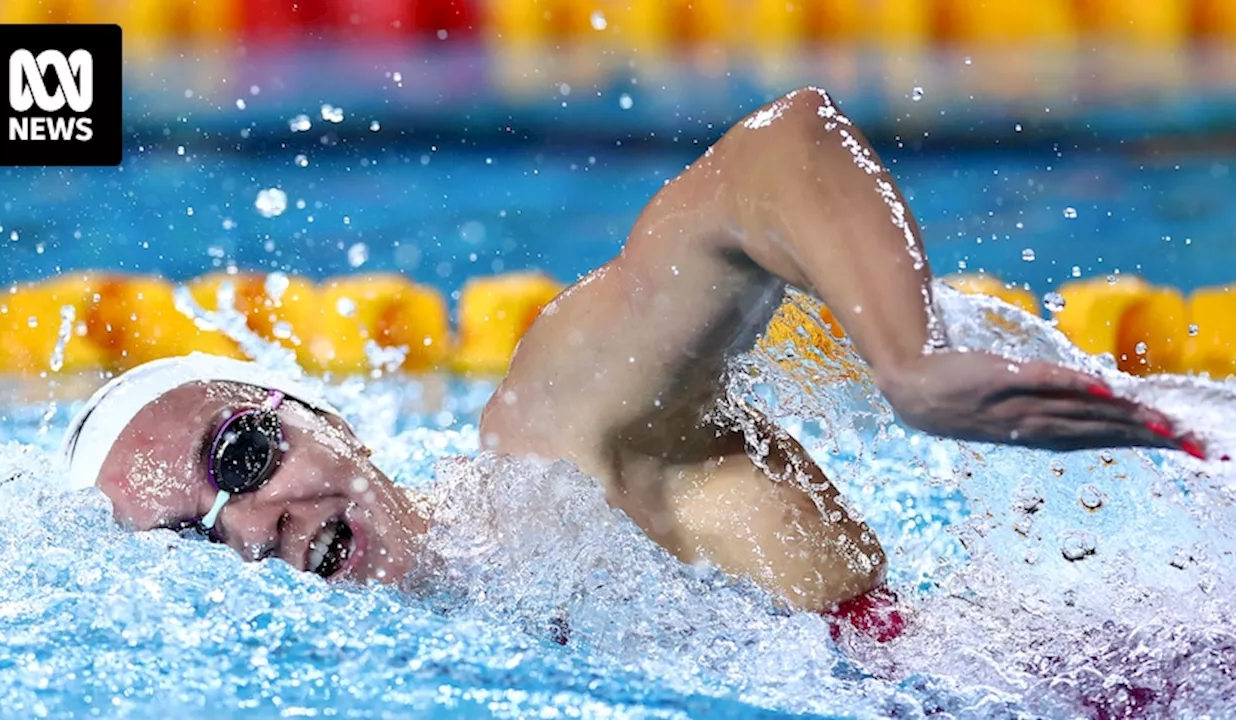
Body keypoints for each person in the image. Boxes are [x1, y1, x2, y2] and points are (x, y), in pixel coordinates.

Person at [61, 87, 1202, 644]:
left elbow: (775, 153)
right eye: (196, 545)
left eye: (242, 452)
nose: (251, 524)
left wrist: (909, 362)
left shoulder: (554, 456)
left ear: (320, 415)